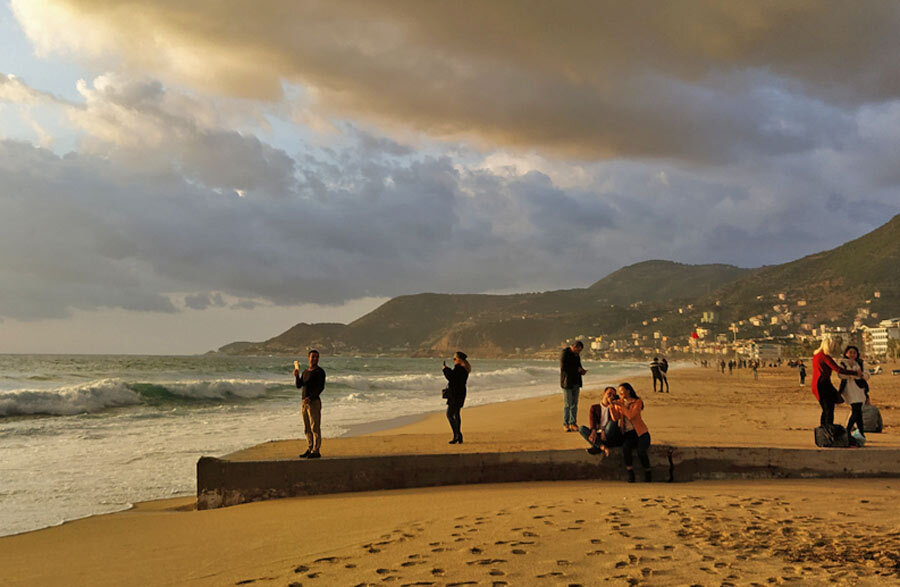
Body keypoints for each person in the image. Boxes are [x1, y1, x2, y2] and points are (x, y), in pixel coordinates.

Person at [811, 334, 860, 428]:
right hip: (823, 384)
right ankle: (828, 429)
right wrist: (854, 373)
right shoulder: (824, 356)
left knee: (826, 409)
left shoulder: (816, 355)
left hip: (817, 384)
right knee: (829, 409)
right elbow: (838, 369)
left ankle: (824, 429)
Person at [614, 382, 651, 483]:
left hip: (641, 432)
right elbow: (615, 417)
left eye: (622, 391)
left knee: (641, 451)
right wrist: (611, 406)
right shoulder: (620, 402)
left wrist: (621, 406)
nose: (620, 394)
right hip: (628, 433)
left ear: (628, 391)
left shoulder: (637, 402)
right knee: (626, 448)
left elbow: (631, 416)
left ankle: (648, 471)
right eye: (619, 392)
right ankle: (630, 472)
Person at [294, 349, 326, 459]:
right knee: (307, 427)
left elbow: (321, 387)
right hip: (304, 402)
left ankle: (316, 450)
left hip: (314, 402)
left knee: (315, 427)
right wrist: (297, 376)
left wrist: (311, 397)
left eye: (317, 357)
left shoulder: (320, 372)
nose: (315, 359)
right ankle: (309, 448)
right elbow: (299, 386)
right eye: (313, 357)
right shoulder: (305, 372)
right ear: (309, 358)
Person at [838, 345, 870, 442]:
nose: (852, 354)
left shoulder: (860, 363)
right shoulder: (842, 363)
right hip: (849, 389)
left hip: (859, 389)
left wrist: (860, 375)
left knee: (858, 411)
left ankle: (859, 432)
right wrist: (855, 374)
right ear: (846, 353)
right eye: (850, 352)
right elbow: (841, 375)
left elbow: (867, 375)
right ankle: (848, 430)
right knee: (856, 410)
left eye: (854, 353)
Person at [579, 386, 622, 456]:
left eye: (613, 395)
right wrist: (593, 432)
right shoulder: (594, 407)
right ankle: (602, 446)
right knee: (581, 429)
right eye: (609, 394)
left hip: (609, 434)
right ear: (604, 393)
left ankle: (597, 446)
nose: (611, 396)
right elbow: (592, 422)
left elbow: (613, 421)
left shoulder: (614, 408)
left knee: (612, 422)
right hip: (598, 434)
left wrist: (612, 405)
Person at [443, 351, 471, 444]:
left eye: (455, 359)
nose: (454, 361)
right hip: (460, 393)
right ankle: (458, 436)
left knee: (449, 414)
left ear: (459, 359)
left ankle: (457, 434)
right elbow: (455, 378)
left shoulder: (459, 369)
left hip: (455, 394)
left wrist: (445, 369)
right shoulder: (465, 369)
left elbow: (451, 377)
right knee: (456, 414)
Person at [560, 341, 586, 432]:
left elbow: (578, 366)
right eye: (578, 350)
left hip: (576, 382)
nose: (579, 352)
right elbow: (564, 368)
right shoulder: (565, 354)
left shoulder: (576, 355)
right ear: (574, 347)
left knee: (575, 404)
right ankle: (565, 423)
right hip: (567, 382)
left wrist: (582, 370)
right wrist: (577, 369)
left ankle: (573, 423)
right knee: (568, 404)